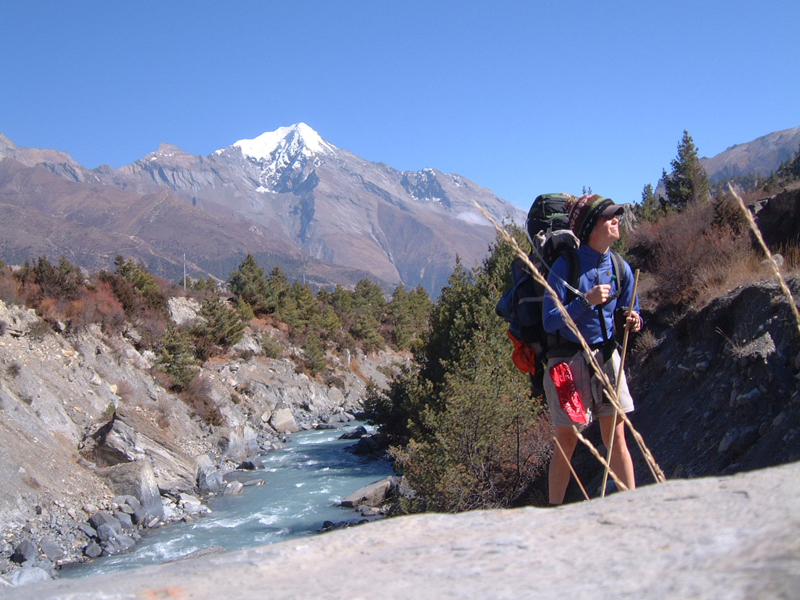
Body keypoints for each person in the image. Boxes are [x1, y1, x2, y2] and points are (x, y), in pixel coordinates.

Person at [541, 194, 642, 505]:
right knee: (567, 441)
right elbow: (549, 320)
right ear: (590, 227)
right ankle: (554, 511)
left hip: (608, 358)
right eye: (608, 217)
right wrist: (586, 301)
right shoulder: (565, 266)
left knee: (617, 437)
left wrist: (634, 319)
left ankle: (632, 507)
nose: (616, 221)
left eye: (616, 216)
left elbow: (629, 309)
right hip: (568, 364)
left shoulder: (618, 265)